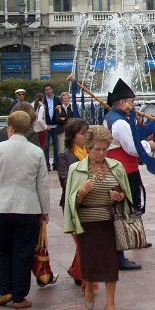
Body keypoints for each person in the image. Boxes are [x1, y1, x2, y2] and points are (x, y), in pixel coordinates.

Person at [0, 110, 49, 309]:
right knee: (23, 251)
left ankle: (4, 290)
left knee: (3, 249)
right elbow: (42, 185)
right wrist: (45, 210)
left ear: (10, 128)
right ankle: (19, 295)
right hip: (28, 207)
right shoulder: (36, 152)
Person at [63, 125, 132, 310]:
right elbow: (71, 201)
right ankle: (89, 287)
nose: (101, 153)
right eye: (97, 149)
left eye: (104, 149)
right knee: (89, 260)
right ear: (88, 148)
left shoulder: (116, 167)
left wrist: (119, 196)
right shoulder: (76, 170)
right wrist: (82, 192)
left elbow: (127, 195)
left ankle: (111, 304)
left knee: (111, 263)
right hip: (87, 223)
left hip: (110, 221)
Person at [103, 78, 155, 271]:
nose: (134, 106)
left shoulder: (112, 118)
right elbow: (132, 148)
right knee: (123, 211)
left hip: (122, 169)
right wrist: (148, 146)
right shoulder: (119, 122)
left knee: (127, 208)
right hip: (124, 171)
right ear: (123, 102)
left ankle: (133, 240)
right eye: (132, 102)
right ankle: (120, 255)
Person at [58, 118, 89, 288]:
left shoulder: (92, 152)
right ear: (72, 136)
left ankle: (76, 270)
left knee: (87, 241)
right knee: (83, 243)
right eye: (82, 134)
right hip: (73, 205)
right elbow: (65, 181)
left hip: (91, 204)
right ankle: (87, 279)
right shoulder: (65, 156)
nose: (86, 137)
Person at [42, 84, 62, 172]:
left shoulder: (57, 99)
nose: (48, 91)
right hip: (46, 126)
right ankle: (46, 165)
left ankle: (56, 165)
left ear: (52, 90)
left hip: (56, 126)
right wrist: (45, 125)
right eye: (46, 89)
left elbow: (62, 111)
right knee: (46, 146)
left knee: (56, 146)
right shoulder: (43, 100)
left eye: (49, 89)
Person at [32, 94, 49, 167]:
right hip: (40, 130)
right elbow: (40, 119)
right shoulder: (41, 106)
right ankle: (41, 165)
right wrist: (45, 127)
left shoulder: (31, 104)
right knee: (41, 148)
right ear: (42, 99)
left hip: (33, 129)